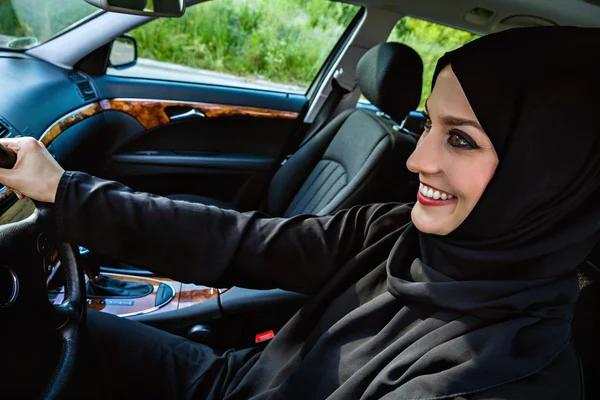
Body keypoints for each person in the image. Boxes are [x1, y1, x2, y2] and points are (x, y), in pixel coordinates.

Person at [1, 26, 598, 399]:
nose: (418, 160)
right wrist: (64, 190)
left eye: (460, 139)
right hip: (232, 381)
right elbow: (244, 241)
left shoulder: (500, 378)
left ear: (544, 175)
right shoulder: (396, 231)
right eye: (428, 127)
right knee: (26, 335)